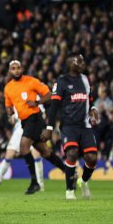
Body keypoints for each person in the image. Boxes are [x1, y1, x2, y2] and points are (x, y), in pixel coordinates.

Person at [41, 54, 99, 200]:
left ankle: (84, 182)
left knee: (92, 158)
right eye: (78, 61)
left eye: (83, 60)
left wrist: (93, 108)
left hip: (85, 126)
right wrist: (49, 128)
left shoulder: (85, 80)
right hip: (68, 126)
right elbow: (54, 107)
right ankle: (69, 191)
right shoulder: (61, 81)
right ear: (70, 64)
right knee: (72, 153)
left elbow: (89, 99)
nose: (82, 63)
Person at [4, 60, 65, 194]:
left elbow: (49, 95)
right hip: (24, 121)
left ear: (22, 68)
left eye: (18, 68)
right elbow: (8, 104)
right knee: (45, 152)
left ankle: (34, 182)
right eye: (13, 68)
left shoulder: (31, 81)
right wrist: (9, 110)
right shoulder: (8, 87)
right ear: (9, 71)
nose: (16, 70)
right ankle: (68, 172)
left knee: (24, 146)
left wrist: (37, 102)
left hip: (35, 117)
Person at [0, 111, 44, 191]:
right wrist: (11, 118)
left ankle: (40, 184)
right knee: (9, 155)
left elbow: (43, 113)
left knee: (36, 154)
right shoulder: (15, 100)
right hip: (19, 130)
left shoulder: (35, 99)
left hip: (32, 128)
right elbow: (12, 120)